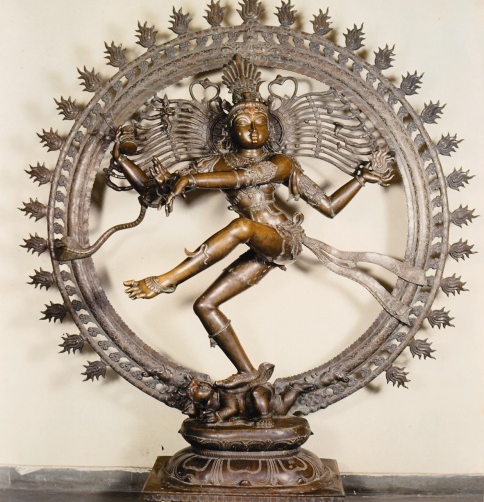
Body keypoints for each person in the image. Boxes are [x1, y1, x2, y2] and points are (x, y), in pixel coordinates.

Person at [116, 55, 418, 386]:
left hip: (283, 238)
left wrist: (361, 179)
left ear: (270, 126)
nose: (252, 128)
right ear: (229, 129)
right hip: (258, 247)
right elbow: (153, 194)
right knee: (205, 305)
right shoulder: (212, 165)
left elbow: (324, 205)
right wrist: (125, 162)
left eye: (260, 121)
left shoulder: (280, 163)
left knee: (241, 226)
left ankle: (168, 280)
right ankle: (248, 373)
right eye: (244, 122)